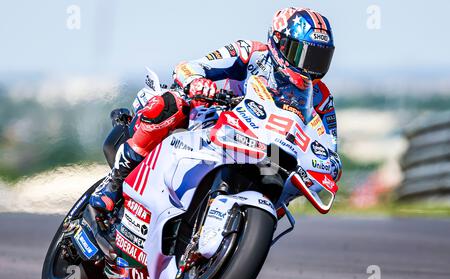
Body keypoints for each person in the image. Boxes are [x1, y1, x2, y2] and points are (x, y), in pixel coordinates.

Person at [89, 7, 341, 213]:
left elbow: (331, 150)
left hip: (266, 149)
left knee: (283, 191)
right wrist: (198, 83)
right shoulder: (250, 53)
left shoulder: (321, 96)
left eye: (318, 59)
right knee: (171, 103)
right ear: (279, 44)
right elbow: (190, 67)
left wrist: (326, 165)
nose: (309, 66)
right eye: (303, 54)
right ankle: (115, 182)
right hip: (216, 120)